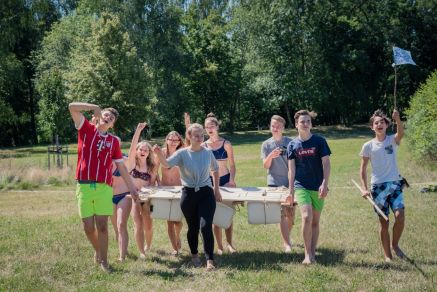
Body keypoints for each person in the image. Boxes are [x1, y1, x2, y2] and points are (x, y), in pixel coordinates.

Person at [68, 102, 138, 272]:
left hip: (104, 188)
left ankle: (104, 262)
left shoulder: (113, 142)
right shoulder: (85, 128)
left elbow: (122, 167)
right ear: (97, 117)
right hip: (84, 186)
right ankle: (98, 250)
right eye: (106, 115)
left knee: (102, 226)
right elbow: (72, 107)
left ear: (112, 125)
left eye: (111, 118)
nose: (108, 118)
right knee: (88, 227)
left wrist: (133, 188)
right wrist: (94, 107)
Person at [153, 123, 222, 270]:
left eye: (201, 135)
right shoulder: (182, 153)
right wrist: (159, 153)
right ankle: (195, 255)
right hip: (188, 194)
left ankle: (210, 259)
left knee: (205, 226)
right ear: (189, 137)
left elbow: (215, 170)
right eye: (196, 135)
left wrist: (217, 190)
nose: (199, 137)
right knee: (193, 227)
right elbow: (166, 164)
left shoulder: (207, 152)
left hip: (206, 193)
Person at [359, 109, 405, 262]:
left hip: (395, 184)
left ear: (387, 125)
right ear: (372, 127)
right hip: (378, 188)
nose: (379, 124)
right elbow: (363, 169)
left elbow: (401, 133)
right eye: (376, 123)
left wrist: (398, 119)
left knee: (400, 216)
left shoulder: (392, 140)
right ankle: (387, 255)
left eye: (382, 122)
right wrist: (364, 188)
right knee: (384, 222)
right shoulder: (368, 146)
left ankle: (395, 245)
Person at [287, 110, 331, 265]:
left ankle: (313, 251)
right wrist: (291, 189)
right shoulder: (292, 145)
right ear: (296, 124)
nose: (305, 124)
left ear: (311, 124)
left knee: (315, 222)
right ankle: (307, 254)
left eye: (308, 121)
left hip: (318, 186)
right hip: (301, 186)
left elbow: (326, 163)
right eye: (302, 121)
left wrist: (325, 183)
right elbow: (291, 170)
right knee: (306, 217)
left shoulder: (320, 141)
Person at [203, 113, 237, 254]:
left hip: (225, 180)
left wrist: (231, 180)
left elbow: (233, 165)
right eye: (207, 127)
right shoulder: (204, 145)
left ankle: (230, 244)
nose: (210, 129)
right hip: (210, 183)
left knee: (227, 214)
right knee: (214, 216)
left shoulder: (226, 144)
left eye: (212, 126)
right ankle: (219, 246)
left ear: (217, 127)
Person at [260, 115, 295, 253]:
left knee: (291, 216)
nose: (275, 128)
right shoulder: (266, 144)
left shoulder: (291, 142)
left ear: (283, 128)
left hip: (290, 183)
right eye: (273, 126)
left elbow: (296, 164)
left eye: (278, 126)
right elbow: (265, 165)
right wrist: (270, 156)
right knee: (281, 215)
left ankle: (287, 236)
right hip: (274, 183)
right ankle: (287, 244)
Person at [128, 122, 159, 259]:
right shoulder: (132, 163)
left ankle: (148, 245)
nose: (143, 151)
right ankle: (142, 251)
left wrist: (149, 190)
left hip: (146, 198)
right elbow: (132, 147)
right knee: (137, 223)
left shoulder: (151, 167)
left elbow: (152, 184)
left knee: (148, 224)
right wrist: (138, 131)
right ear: (137, 151)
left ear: (148, 153)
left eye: (146, 150)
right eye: (140, 149)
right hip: (133, 196)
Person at [158, 131, 185, 255]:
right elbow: (154, 170)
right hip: (165, 189)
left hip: (179, 189)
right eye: (171, 139)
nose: (173, 142)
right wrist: (158, 184)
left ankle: (177, 235)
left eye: (176, 140)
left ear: (179, 142)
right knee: (169, 221)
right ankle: (175, 248)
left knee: (178, 221)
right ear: (167, 139)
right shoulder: (161, 152)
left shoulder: (182, 152)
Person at [110, 152, 132, 262]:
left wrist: (137, 133)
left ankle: (121, 257)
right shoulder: (104, 160)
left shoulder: (124, 159)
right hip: (109, 196)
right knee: (115, 228)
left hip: (124, 195)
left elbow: (132, 150)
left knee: (121, 224)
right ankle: (124, 250)